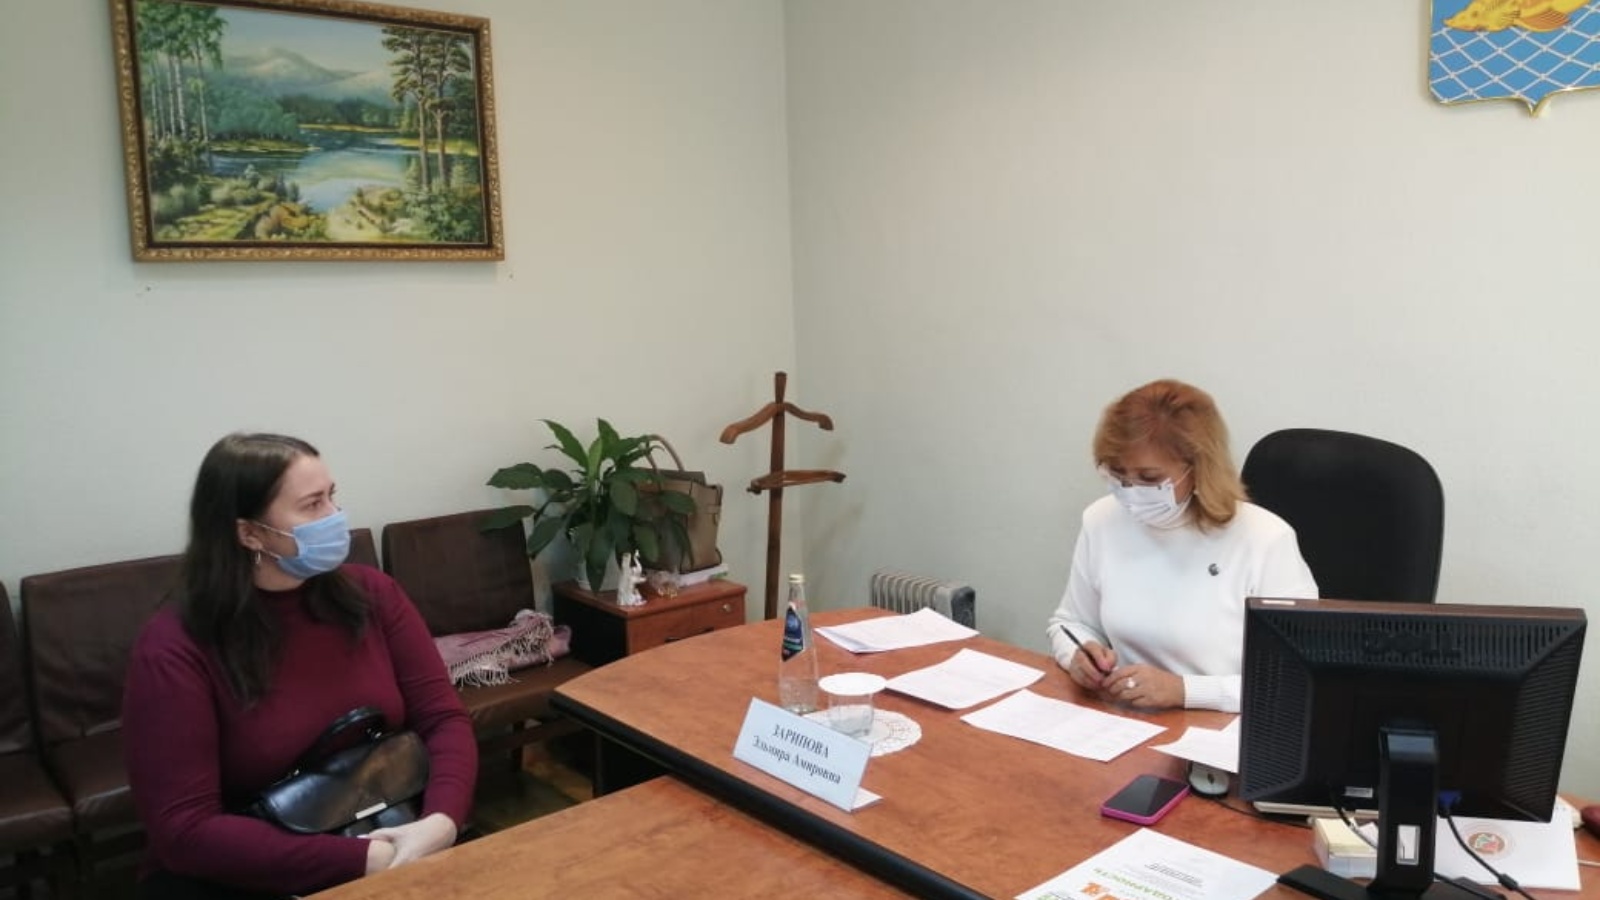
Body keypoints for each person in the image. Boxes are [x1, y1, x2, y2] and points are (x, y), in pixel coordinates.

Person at [123, 433, 477, 899]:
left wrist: (441, 821)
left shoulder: (373, 596)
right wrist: (365, 861)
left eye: (332, 496)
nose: (336, 517)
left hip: (394, 829)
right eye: (312, 505)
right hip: (247, 871)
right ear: (249, 533)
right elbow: (184, 830)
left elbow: (443, 718)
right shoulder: (174, 648)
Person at [1046, 380, 1317, 713]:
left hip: (1220, 728)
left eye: (1149, 478)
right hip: (1125, 720)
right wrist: (1077, 655)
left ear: (1198, 468)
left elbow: (1296, 681)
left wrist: (1185, 691)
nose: (1130, 491)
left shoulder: (1265, 539)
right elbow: (1069, 623)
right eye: (1117, 474)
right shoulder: (1101, 520)